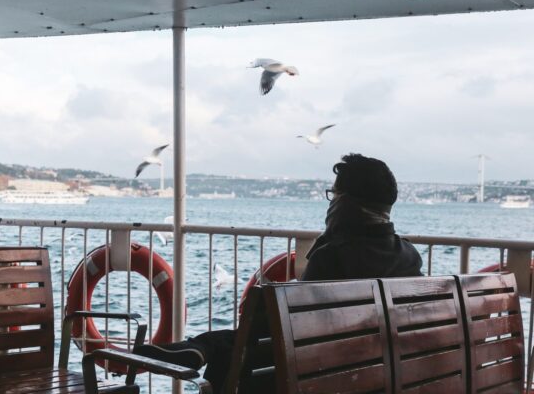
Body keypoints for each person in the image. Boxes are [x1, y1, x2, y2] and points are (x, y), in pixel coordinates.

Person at [133, 153, 423, 392]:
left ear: (346, 202)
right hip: (377, 376)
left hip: (316, 378)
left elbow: (291, 333)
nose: (332, 202)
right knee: (238, 345)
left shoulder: (332, 257)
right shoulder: (409, 256)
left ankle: (201, 347)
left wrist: (330, 235)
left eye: (334, 195)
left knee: (233, 352)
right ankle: (202, 346)